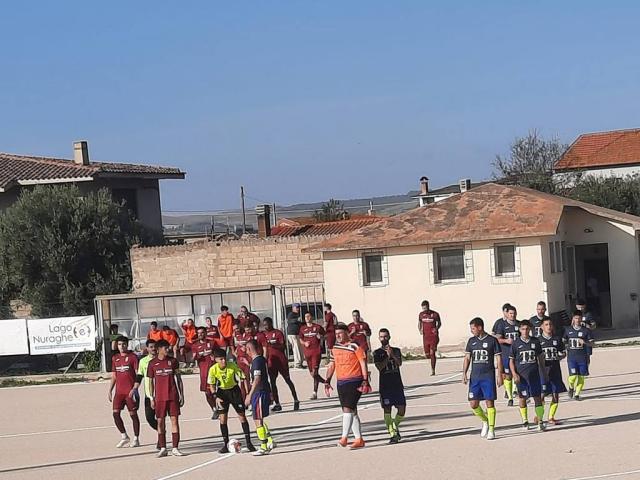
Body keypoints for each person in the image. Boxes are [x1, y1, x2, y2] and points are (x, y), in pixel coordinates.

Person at [324, 323, 369, 449]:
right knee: (352, 410)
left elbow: (363, 362)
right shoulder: (335, 348)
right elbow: (332, 364)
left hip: (354, 380)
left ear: (346, 333)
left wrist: (365, 379)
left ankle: (344, 437)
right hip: (341, 382)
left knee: (347, 409)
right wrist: (327, 380)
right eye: (336, 334)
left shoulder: (355, 346)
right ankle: (359, 439)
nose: (337, 336)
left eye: (340, 333)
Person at [208, 348, 255, 453]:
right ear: (215, 360)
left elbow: (243, 378)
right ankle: (225, 445)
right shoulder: (213, 369)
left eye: (224, 359)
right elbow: (211, 385)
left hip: (234, 392)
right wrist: (216, 396)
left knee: (242, 416)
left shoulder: (232, 365)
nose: (223, 361)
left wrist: (247, 393)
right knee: (223, 419)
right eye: (220, 359)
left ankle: (249, 443)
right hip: (222, 394)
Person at [462, 317, 502, 440]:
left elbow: (498, 359)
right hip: (475, 377)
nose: (472, 331)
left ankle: (491, 429)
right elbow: (467, 358)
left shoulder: (492, 341)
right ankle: (484, 420)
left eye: (473, 328)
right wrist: (464, 373)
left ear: (480, 327)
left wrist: (499, 374)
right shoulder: (471, 341)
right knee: (473, 404)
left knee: (489, 402)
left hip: (488, 376)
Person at [148, 339, 185, 457]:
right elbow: (150, 382)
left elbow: (178, 379)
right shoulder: (152, 363)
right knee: (160, 422)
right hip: (159, 398)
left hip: (172, 396)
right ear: (158, 349)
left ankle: (175, 447)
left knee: (175, 421)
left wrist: (181, 394)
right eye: (165, 348)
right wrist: (151, 397)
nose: (167, 349)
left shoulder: (173, 361)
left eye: (168, 347)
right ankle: (163, 448)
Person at [509, 320, 547, 431]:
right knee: (522, 398)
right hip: (522, 376)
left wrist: (544, 372)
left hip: (534, 375)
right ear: (519, 330)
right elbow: (511, 361)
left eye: (527, 329)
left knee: (537, 398)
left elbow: (540, 358)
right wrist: (514, 374)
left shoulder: (535, 342)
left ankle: (540, 421)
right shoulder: (515, 343)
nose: (525, 331)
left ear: (530, 329)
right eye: (523, 329)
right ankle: (525, 421)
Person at [373, 328, 406, 444]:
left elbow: (399, 363)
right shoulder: (377, 353)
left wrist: (392, 355)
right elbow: (379, 367)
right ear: (379, 338)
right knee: (387, 409)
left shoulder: (396, 350)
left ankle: (395, 426)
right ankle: (393, 434)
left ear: (389, 337)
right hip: (385, 384)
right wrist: (387, 357)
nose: (384, 339)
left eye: (385, 336)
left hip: (396, 383)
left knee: (402, 409)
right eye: (381, 337)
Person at [108, 336, 141, 448]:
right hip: (119, 392)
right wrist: (110, 390)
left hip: (130, 392)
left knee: (133, 415)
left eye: (123, 344)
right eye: (119, 344)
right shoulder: (115, 358)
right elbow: (114, 376)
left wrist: (135, 388)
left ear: (127, 345)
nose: (121, 346)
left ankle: (136, 438)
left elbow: (138, 374)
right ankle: (124, 436)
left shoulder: (133, 357)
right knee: (115, 414)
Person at [262, 317, 300, 411]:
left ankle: (295, 399)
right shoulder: (263, 335)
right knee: (273, 383)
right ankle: (277, 403)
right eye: (264, 325)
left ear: (271, 323)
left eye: (267, 324)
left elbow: (283, 346)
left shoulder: (278, 333)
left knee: (287, 380)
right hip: (271, 362)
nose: (266, 326)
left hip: (281, 361)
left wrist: (272, 345)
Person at [245, 340, 275, 456]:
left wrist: (249, 395)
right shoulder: (259, 360)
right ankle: (269, 440)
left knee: (257, 420)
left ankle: (263, 446)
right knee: (259, 418)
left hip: (259, 393)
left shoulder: (257, 361)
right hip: (261, 392)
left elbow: (257, 379)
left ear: (248, 349)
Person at [537, 318, 567, 425]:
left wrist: (561, 355)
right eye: (546, 324)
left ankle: (551, 417)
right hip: (543, 371)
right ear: (542, 327)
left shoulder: (557, 339)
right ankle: (539, 415)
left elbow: (563, 352)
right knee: (542, 395)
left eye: (550, 324)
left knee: (555, 394)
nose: (548, 326)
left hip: (555, 369)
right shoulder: (537, 340)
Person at [563, 310, 595, 401]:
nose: (577, 320)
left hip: (582, 357)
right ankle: (571, 387)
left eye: (579, 318)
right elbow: (563, 340)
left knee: (581, 377)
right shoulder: (568, 330)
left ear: (582, 319)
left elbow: (593, 343)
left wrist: (585, 342)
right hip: (572, 358)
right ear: (573, 319)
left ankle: (577, 394)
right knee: (573, 377)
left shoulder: (586, 330)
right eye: (576, 318)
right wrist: (565, 346)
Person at [492, 303, 519, 406]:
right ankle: (510, 397)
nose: (512, 315)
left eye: (514, 313)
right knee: (508, 375)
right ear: (507, 314)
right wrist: (506, 341)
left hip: (517, 353)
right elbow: (496, 339)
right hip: (506, 353)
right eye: (511, 313)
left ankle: (515, 391)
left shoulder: (519, 324)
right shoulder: (501, 325)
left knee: (517, 372)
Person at [133, 339, 159, 439]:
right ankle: (161, 431)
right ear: (147, 348)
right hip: (149, 395)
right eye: (151, 347)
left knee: (160, 418)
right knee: (149, 418)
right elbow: (139, 376)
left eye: (155, 347)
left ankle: (161, 440)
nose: (153, 349)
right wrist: (134, 389)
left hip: (160, 394)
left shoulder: (161, 359)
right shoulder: (143, 361)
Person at [299, 313, 326, 400]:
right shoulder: (302, 328)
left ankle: (314, 393)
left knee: (315, 373)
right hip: (307, 353)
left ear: (312, 317)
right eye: (305, 316)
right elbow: (300, 339)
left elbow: (325, 336)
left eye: (308, 316)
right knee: (312, 374)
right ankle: (326, 382)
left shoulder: (317, 327)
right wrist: (304, 343)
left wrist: (320, 337)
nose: (307, 318)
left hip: (316, 352)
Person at [192, 327, 217, 418]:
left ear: (205, 333)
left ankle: (220, 408)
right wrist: (198, 356)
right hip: (204, 373)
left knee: (216, 392)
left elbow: (219, 354)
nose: (200, 334)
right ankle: (214, 409)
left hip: (214, 371)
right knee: (207, 393)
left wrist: (214, 357)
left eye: (202, 332)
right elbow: (193, 357)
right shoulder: (195, 345)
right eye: (198, 333)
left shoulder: (212, 343)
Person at [417, 300, 442, 376]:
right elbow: (419, 323)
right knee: (427, 354)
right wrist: (420, 329)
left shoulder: (435, 314)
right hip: (425, 337)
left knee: (432, 353)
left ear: (428, 306)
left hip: (433, 337)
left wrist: (436, 328)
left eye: (425, 308)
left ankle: (433, 370)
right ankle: (431, 361)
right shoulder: (421, 315)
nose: (424, 310)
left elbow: (439, 323)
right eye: (423, 308)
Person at [576, 298, 596, 365]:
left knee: (587, 356)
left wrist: (587, 326)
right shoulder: (575, 315)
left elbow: (594, 325)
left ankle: (586, 369)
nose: (581, 309)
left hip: (587, 337)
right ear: (576, 306)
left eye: (582, 307)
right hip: (578, 337)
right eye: (579, 307)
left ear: (585, 306)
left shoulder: (588, 314)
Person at [286, 303, 304, 369]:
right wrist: (297, 320)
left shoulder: (297, 314)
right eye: (296, 307)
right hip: (292, 333)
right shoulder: (291, 314)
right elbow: (289, 321)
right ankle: (297, 364)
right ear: (293, 308)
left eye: (298, 307)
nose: (298, 309)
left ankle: (300, 362)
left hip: (297, 333)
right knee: (296, 348)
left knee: (299, 348)